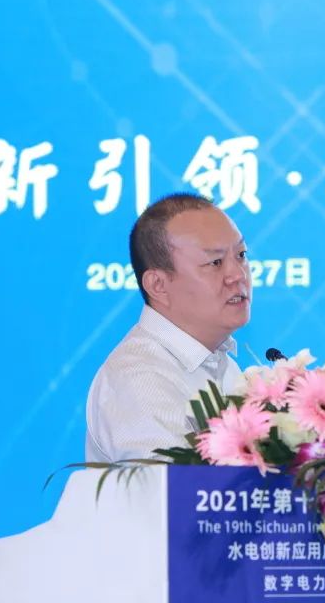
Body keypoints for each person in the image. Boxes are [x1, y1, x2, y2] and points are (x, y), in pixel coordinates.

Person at [85, 193, 252, 462]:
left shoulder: (222, 364)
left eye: (241, 255)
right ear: (158, 285)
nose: (238, 275)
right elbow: (173, 486)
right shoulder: (140, 379)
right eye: (215, 262)